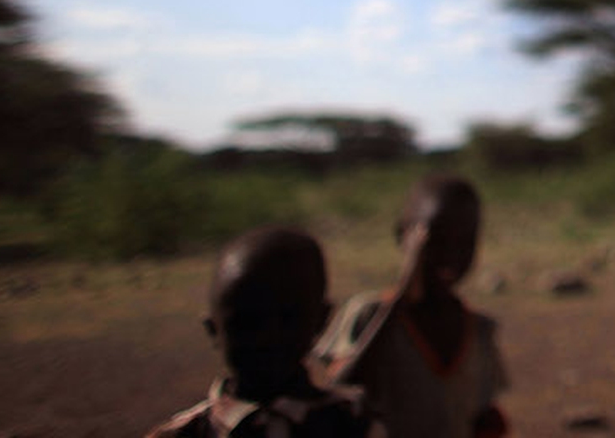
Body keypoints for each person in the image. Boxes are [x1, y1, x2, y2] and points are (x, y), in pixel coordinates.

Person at [315, 174, 510, 438]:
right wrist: (401, 296)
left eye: (465, 242)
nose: (451, 254)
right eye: (436, 240)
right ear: (403, 236)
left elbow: (482, 416)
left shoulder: (479, 330)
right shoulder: (369, 314)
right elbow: (343, 386)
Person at [145, 226, 377, 438]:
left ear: (321, 320)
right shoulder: (182, 435)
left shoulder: (357, 423)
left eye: (288, 318)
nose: (266, 338)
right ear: (213, 328)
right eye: (246, 321)